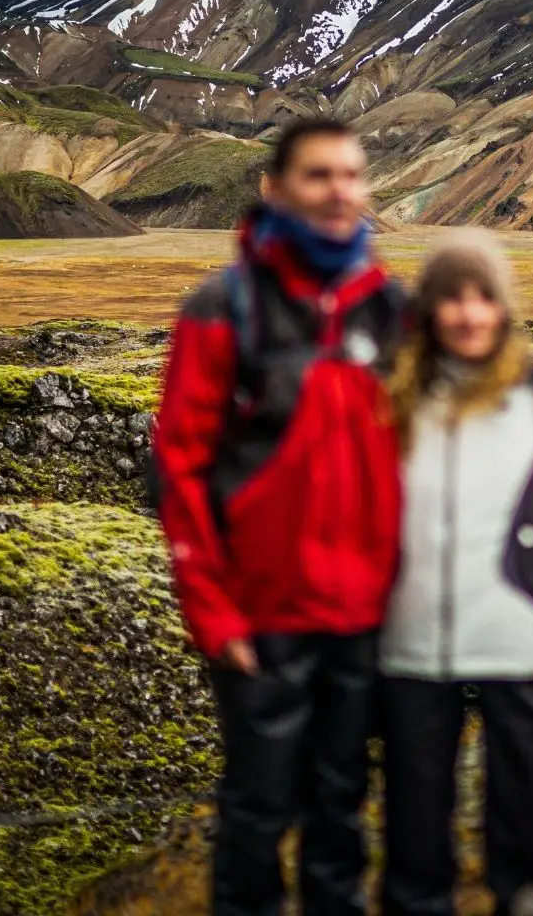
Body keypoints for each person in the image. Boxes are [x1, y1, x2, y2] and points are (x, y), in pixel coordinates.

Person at [150, 116, 407, 916]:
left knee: (342, 802)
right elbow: (180, 466)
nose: (340, 192)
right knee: (258, 805)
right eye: (320, 176)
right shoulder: (225, 308)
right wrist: (212, 609)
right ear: (275, 189)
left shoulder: (388, 307)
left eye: (353, 175)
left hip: (365, 614)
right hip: (262, 615)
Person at [377, 229, 533, 916]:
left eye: (483, 298)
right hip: (408, 653)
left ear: (503, 308)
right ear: (428, 309)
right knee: (412, 840)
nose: (469, 314)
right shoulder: (392, 399)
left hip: (519, 644)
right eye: (453, 298)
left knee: (532, 834)